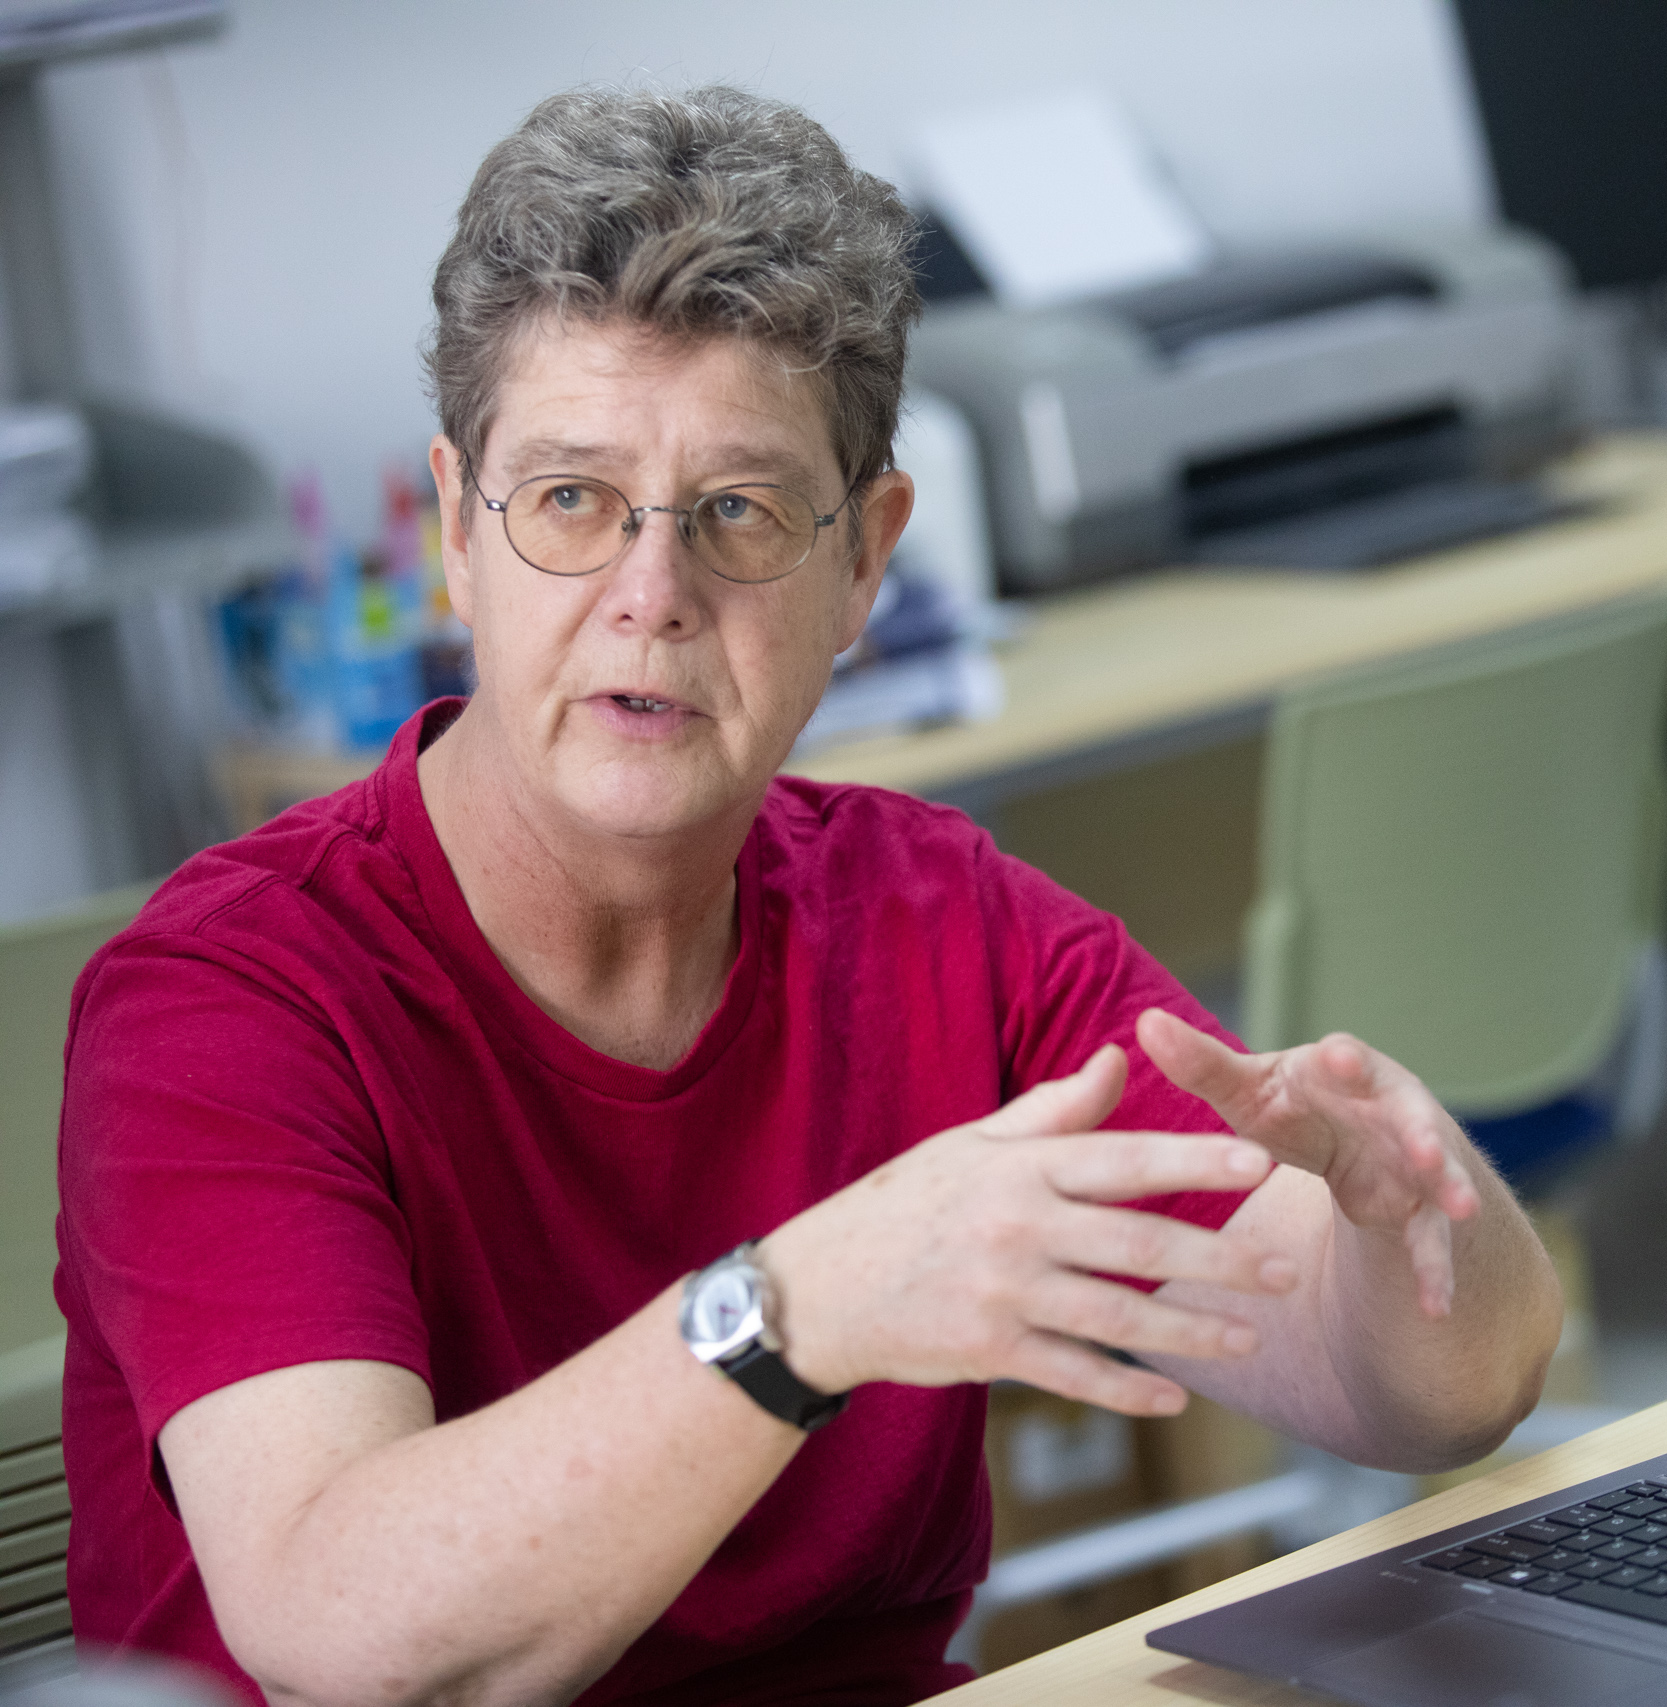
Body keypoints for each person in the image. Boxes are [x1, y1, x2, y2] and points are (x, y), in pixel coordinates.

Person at [53, 86, 1561, 1706]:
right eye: (571, 501)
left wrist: (1411, 1215)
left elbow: (1438, 1391)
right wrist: (805, 1305)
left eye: (742, 514)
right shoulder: (226, 1000)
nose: (653, 597)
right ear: (456, 539)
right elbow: (345, 1631)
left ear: (865, 562)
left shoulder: (946, 926)